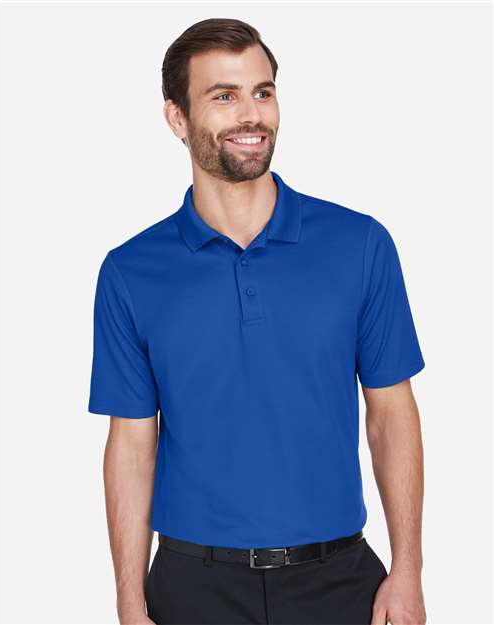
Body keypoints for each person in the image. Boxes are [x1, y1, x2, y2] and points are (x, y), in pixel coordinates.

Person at [88, 17, 427, 625]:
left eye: (262, 92)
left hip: (340, 582)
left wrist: (408, 569)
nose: (251, 115)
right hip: (192, 588)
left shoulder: (360, 245)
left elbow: (391, 413)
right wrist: (130, 603)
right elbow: (132, 445)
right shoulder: (131, 271)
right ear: (177, 118)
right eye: (224, 96)